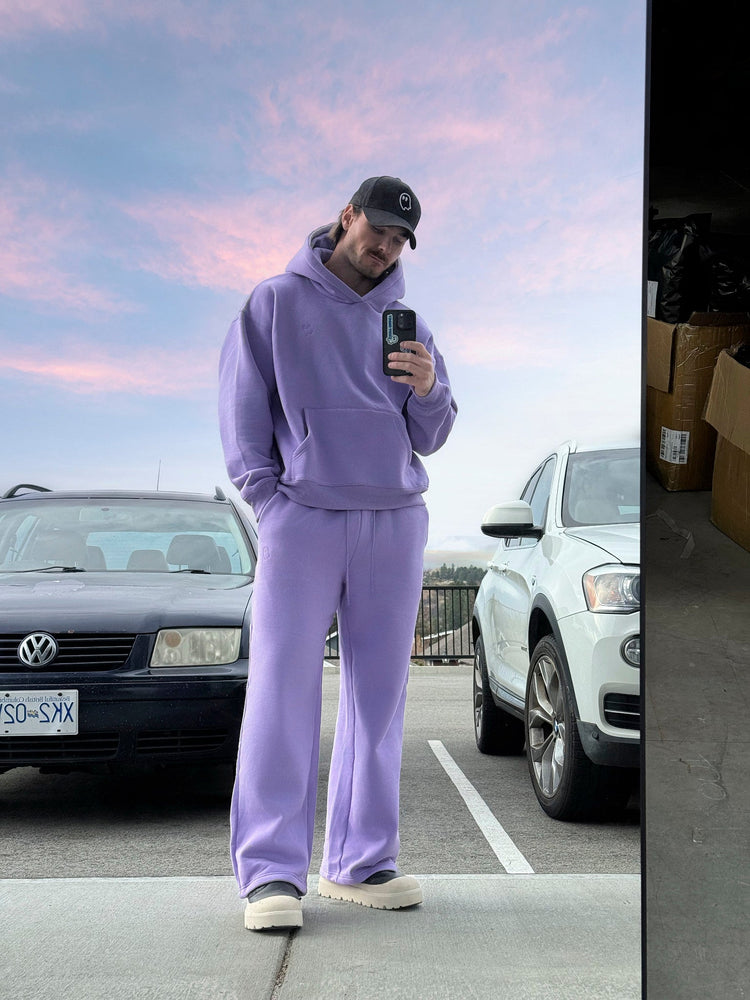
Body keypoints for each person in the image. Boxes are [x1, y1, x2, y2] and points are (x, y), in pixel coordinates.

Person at [218, 175, 457, 931]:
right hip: (304, 518)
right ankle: (269, 874)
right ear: (348, 216)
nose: (386, 247)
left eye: (399, 239)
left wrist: (427, 388)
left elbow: (433, 433)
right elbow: (241, 409)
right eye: (377, 229)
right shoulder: (275, 302)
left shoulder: (407, 320)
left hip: (394, 517)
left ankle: (360, 862)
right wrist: (268, 500)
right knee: (282, 691)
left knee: (379, 697)